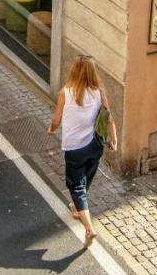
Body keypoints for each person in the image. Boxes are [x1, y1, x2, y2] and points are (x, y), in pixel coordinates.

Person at [47, 54, 116, 248]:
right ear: (93, 73)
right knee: (85, 179)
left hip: (74, 148)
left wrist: (52, 130)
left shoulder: (66, 93)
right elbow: (108, 118)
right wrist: (114, 139)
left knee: (76, 186)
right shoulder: (98, 92)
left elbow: (56, 120)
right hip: (94, 146)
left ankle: (89, 228)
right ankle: (77, 208)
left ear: (74, 72)